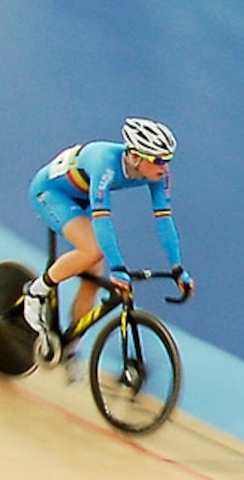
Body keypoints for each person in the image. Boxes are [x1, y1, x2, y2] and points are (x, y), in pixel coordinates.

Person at [24, 119, 193, 343]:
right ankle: (36, 292)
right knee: (93, 251)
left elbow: (164, 220)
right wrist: (118, 268)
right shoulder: (104, 163)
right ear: (135, 157)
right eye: (159, 160)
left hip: (82, 198)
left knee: (92, 279)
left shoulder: (157, 174)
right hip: (51, 194)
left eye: (168, 159)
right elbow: (102, 219)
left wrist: (178, 267)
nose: (165, 167)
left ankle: (71, 344)